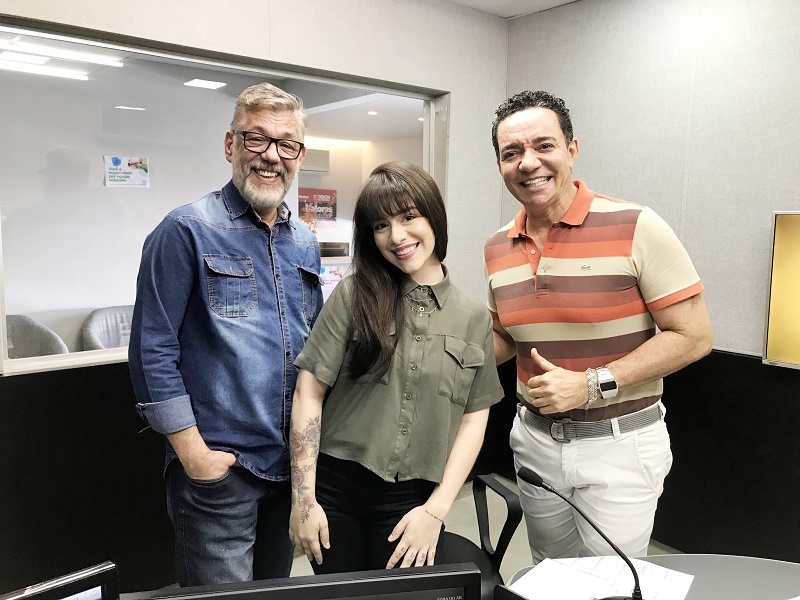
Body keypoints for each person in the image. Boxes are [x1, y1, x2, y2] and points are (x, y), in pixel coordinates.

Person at [484, 91, 713, 564]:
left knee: (611, 584)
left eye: (543, 145)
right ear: (501, 165)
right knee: (551, 573)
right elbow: (506, 337)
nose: (528, 163)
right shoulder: (498, 247)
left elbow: (694, 335)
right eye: (512, 153)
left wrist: (591, 385)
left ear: (571, 149)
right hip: (534, 440)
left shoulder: (636, 225)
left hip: (621, 445)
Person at [128, 82, 322, 586]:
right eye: (256, 139)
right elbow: (153, 348)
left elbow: (312, 345)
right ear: (230, 145)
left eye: (286, 144)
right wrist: (194, 454)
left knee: (273, 591)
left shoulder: (303, 241)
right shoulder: (185, 230)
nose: (271, 156)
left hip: (287, 467)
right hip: (221, 472)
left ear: (298, 154)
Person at [288, 161, 504, 573]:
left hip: (412, 500)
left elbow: (473, 422)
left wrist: (437, 510)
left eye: (409, 217)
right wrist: (303, 500)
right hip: (335, 492)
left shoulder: (473, 317)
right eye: (381, 225)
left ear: (433, 216)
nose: (397, 236)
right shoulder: (354, 295)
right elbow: (309, 392)